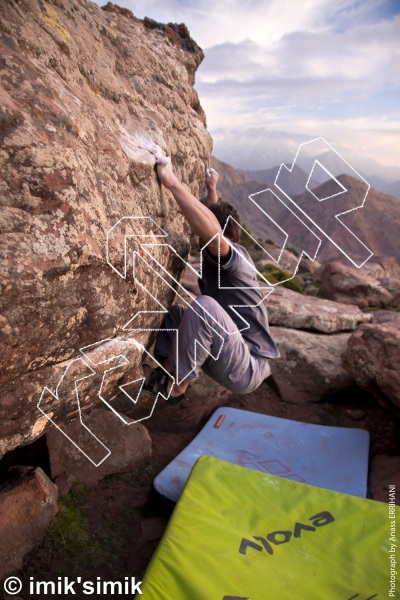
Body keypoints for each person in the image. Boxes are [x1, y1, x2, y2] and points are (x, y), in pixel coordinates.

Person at [139, 143, 279, 403]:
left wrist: (171, 182)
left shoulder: (235, 259)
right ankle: (164, 372)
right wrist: (212, 188)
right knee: (175, 315)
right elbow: (215, 222)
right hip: (226, 350)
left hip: (247, 365)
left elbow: (215, 233)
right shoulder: (217, 254)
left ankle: (175, 387)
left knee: (205, 308)